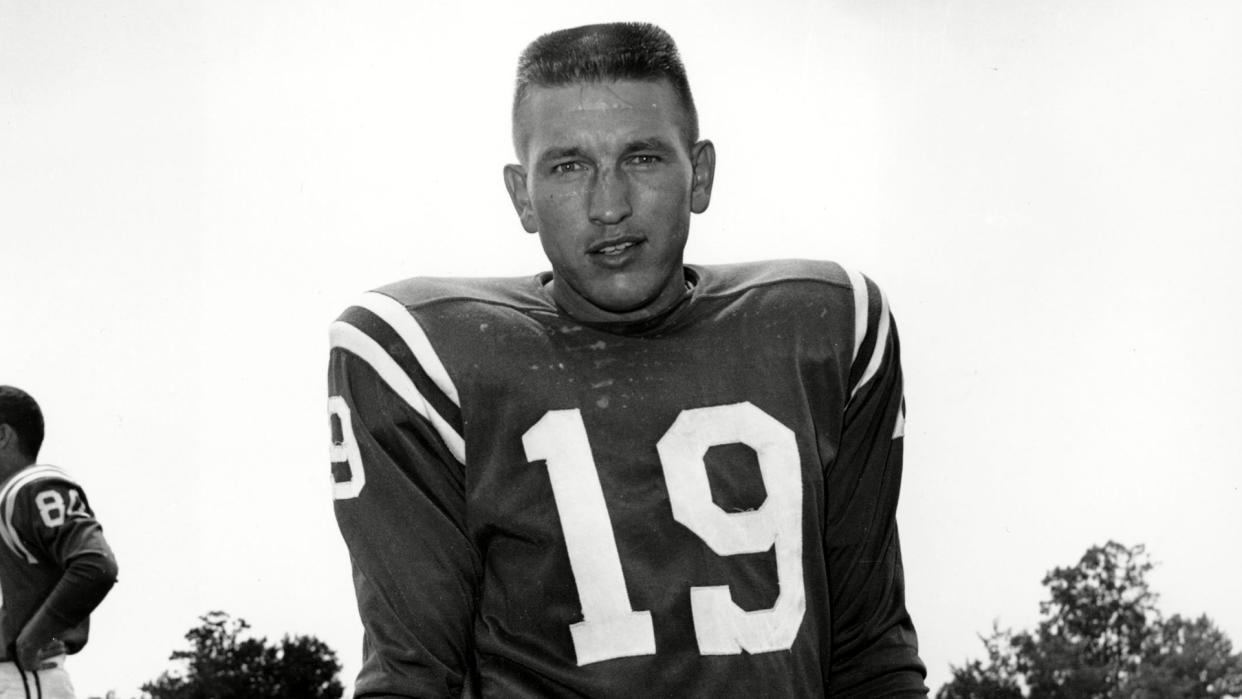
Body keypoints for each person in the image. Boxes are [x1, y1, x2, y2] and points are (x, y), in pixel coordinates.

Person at [328, 22, 926, 697]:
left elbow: (872, 656)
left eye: (642, 158)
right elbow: (411, 678)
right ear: (522, 195)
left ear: (698, 174)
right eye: (567, 165)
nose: (608, 205)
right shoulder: (424, 355)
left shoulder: (824, 326)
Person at [0, 387, 118, 699]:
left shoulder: (32, 488)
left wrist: (34, 637)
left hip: (22, 677)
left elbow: (96, 563)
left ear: (2, 436)